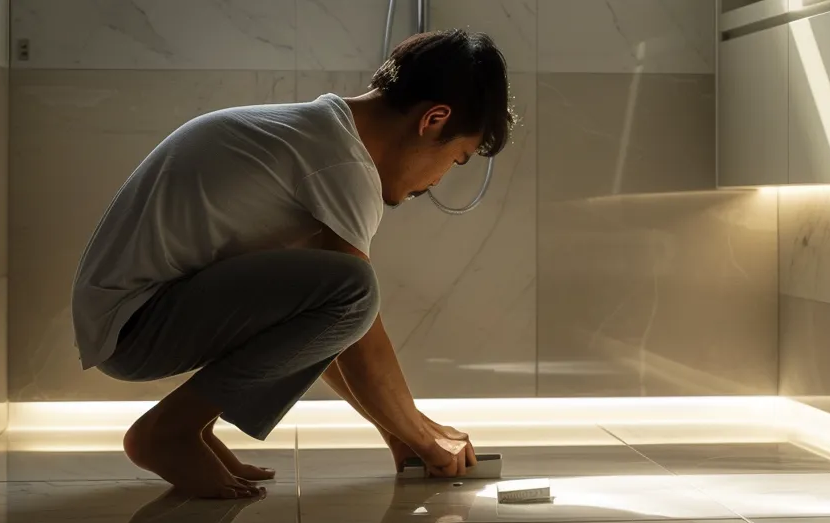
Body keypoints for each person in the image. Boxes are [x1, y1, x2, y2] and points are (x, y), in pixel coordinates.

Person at [70, 30, 512, 498]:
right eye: (455, 159)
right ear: (433, 120)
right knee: (354, 288)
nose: (438, 180)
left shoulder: (322, 133)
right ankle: (169, 432)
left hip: (133, 316)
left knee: (340, 291)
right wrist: (423, 437)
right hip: (136, 325)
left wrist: (402, 434)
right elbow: (354, 317)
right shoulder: (341, 162)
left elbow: (326, 331)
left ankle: (188, 427)